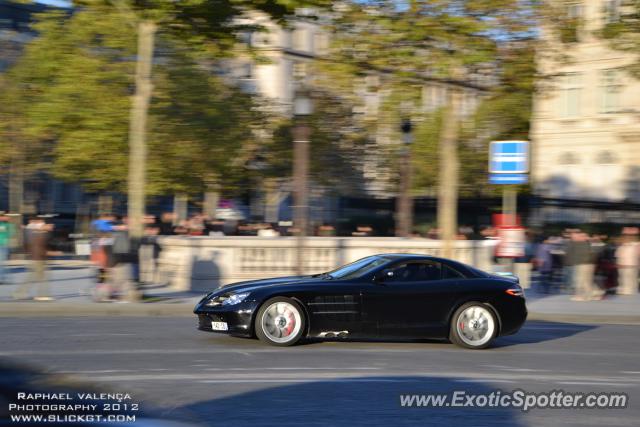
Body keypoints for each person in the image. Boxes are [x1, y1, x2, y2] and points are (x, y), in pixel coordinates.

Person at [14, 217, 53, 301]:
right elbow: (38, 248)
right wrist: (49, 253)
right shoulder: (38, 234)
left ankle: (19, 293)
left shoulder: (40, 233)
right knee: (42, 278)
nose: (51, 227)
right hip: (37, 259)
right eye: (49, 225)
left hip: (37, 259)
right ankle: (42, 295)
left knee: (32, 277)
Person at [567, 231, 599, 301]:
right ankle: (593, 294)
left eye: (574, 237)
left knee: (582, 280)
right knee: (586, 280)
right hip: (585, 264)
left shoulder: (583, 243)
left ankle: (584, 296)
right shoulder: (584, 243)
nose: (573, 238)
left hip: (584, 264)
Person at [615, 231, 639, 296]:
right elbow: (618, 255)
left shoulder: (636, 245)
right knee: (622, 278)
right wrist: (618, 263)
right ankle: (623, 289)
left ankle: (630, 290)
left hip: (632, 264)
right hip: (623, 264)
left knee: (631, 278)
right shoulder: (622, 246)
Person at [0, 213, 14, 284]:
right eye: (4, 217)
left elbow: (12, 234)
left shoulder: (9, 225)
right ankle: (2, 278)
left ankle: (2, 278)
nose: (6, 218)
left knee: (2, 263)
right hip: (3, 246)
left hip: (3, 245)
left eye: (7, 217)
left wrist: (8, 228)